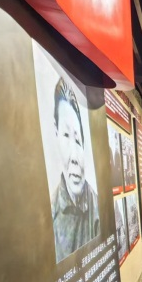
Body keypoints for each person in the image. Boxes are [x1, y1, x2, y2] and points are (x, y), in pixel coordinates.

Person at [51, 78, 100, 263]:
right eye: (66, 135)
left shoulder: (99, 208)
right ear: (56, 134)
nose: (74, 157)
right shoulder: (51, 213)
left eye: (78, 140)